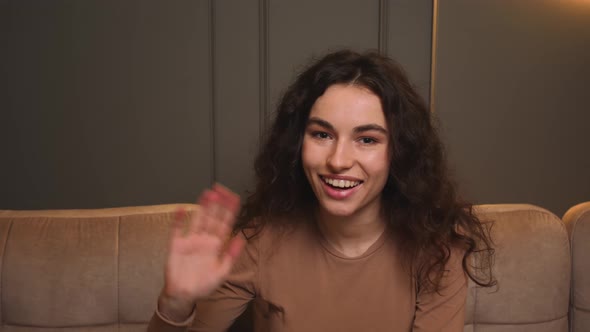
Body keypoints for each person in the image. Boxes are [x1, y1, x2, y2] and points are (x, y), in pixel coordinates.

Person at [148, 49, 495, 332]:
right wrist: (176, 303)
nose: (338, 160)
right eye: (322, 134)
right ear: (298, 142)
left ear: (399, 151)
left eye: (367, 139)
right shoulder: (257, 244)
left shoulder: (439, 251)